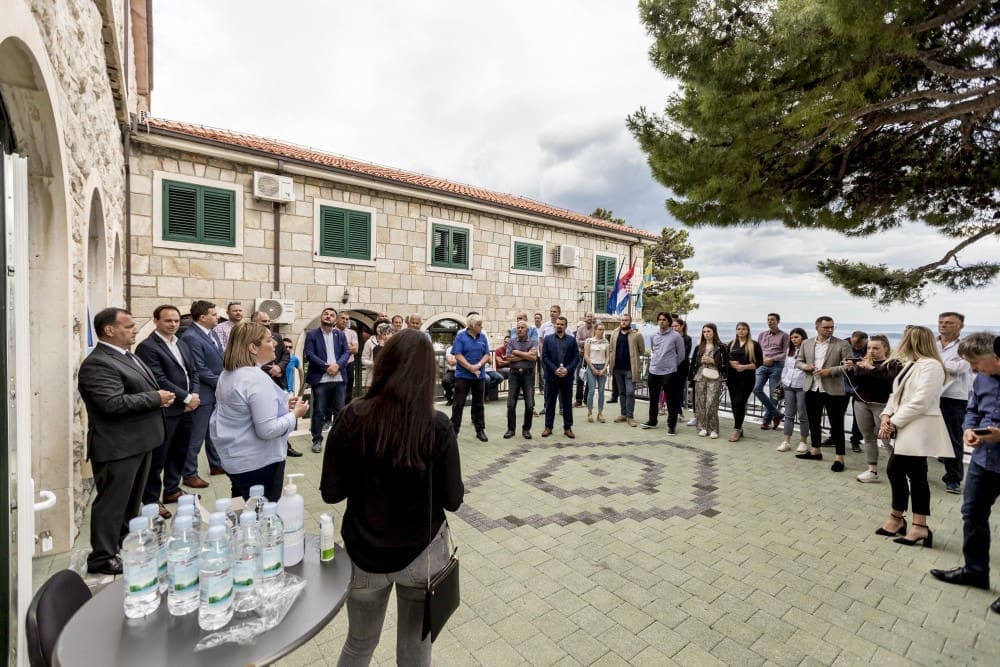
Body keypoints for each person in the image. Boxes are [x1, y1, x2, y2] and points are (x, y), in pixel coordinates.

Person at [319, 329, 464, 665]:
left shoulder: (352, 416)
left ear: (384, 364)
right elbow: (453, 499)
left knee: (359, 643)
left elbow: (331, 492)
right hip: (421, 553)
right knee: (416, 648)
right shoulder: (437, 425)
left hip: (363, 551)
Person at [78, 307, 173, 575]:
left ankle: (124, 543)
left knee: (131, 502)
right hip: (118, 445)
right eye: (129, 326)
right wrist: (156, 398)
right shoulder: (98, 363)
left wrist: (158, 397)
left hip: (140, 441)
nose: (134, 330)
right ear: (109, 330)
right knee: (112, 503)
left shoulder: (127, 356)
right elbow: (111, 403)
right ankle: (102, 557)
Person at [930, 333, 1000, 614]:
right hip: (983, 461)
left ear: (995, 357)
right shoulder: (981, 379)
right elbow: (973, 410)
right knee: (972, 513)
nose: (972, 368)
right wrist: (969, 429)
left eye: (975, 362)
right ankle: (975, 571)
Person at [211, 321, 309, 500]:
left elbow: (242, 409)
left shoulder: (228, 374)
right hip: (258, 463)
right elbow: (267, 430)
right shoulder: (255, 378)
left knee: (241, 506)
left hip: (235, 459)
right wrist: (295, 414)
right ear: (253, 348)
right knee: (262, 512)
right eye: (269, 340)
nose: (275, 344)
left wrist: (282, 406)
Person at [134, 305, 200, 516]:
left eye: (176, 321)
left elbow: (193, 372)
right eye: (168, 320)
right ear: (156, 321)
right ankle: (152, 500)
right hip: (166, 409)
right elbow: (158, 378)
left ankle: (172, 490)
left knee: (180, 451)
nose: (173, 324)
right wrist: (187, 397)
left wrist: (194, 395)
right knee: (158, 457)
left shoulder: (181, 344)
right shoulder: (147, 347)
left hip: (186, 409)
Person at [795, 316, 853, 472]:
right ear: (817, 328)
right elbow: (798, 361)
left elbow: (849, 366)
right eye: (826, 327)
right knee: (813, 422)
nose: (830, 330)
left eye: (832, 327)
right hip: (811, 388)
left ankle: (839, 458)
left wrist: (830, 371)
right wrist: (805, 367)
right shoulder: (806, 343)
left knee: (837, 425)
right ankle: (815, 451)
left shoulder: (842, 344)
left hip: (833, 390)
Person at [178, 299, 226, 486]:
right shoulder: (191, 337)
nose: (217, 317)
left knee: (212, 433)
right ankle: (189, 474)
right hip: (203, 394)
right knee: (195, 437)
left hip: (213, 394)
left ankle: (216, 465)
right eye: (214, 314)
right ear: (203, 317)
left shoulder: (211, 333)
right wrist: (222, 383)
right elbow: (199, 368)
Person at [843, 335, 901, 482]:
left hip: (883, 406)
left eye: (875, 348)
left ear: (885, 348)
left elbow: (891, 384)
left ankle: (900, 471)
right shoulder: (864, 362)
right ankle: (872, 470)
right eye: (869, 348)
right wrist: (850, 370)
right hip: (861, 403)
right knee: (868, 437)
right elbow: (856, 383)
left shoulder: (892, 364)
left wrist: (872, 369)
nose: (871, 351)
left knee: (888, 439)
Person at [936, 311, 974, 494]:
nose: (943, 325)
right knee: (925, 433)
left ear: (961, 326)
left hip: (954, 397)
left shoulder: (966, 346)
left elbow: (960, 368)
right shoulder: (932, 343)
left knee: (953, 438)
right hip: (931, 394)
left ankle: (953, 479)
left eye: (949, 323)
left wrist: (933, 363)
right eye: (941, 322)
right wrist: (944, 364)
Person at [304, 308, 351, 453]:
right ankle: (317, 440)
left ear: (335, 319)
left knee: (339, 411)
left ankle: (338, 440)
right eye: (326, 314)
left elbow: (346, 352)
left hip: (339, 378)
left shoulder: (340, 335)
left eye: (332, 315)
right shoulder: (312, 335)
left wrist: (337, 366)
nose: (328, 316)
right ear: (321, 317)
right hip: (321, 379)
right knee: (319, 411)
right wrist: (326, 367)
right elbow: (309, 354)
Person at [641, 312, 685, 434]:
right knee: (653, 398)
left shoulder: (676, 336)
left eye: (664, 319)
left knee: (671, 400)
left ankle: (671, 425)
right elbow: (654, 350)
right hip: (654, 371)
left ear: (669, 321)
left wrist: (671, 365)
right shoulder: (653, 336)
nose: (661, 321)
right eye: (659, 319)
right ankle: (652, 421)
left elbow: (681, 355)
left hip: (669, 372)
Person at [450, 314, 491, 442]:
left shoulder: (482, 337)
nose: (481, 326)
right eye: (479, 324)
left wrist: (477, 365)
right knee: (458, 404)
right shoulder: (460, 336)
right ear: (472, 326)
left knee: (479, 404)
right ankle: (453, 431)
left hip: (479, 376)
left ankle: (480, 430)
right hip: (463, 376)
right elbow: (457, 355)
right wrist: (470, 367)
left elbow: (487, 355)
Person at [541, 315, 581, 438]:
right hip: (552, 377)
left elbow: (576, 357)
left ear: (565, 326)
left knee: (567, 403)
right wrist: (555, 369)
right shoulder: (548, 339)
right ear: (555, 325)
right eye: (557, 324)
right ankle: (548, 427)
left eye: (561, 324)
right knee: (550, 403)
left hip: (566, 377)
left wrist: (567, 369)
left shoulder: (571, 340)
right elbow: (545, 357)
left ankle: (568, 428)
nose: (559, 326)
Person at [689, 323, 729, 439]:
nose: (706, 334)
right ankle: (702, 427)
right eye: (704, 332)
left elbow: (725, 364)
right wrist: (699, 363)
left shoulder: (721, 347)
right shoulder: (699, 347)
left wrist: (713, 361)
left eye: (708, 331)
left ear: (714, 332)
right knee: (700, 403)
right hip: (700, 376)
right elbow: (693, 363)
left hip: (715, 376)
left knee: (711, 403)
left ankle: (713, 429)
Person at [725, 322, 763, 442]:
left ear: (748, 331)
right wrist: (730, 363)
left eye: (743, 329)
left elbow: (759, 362)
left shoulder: (754, 345)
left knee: (740, 402)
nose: (741, 331)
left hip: (747, 378)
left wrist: (744, 367)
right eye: (738, 329)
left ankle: (736, 429)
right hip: (732, 378)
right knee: (734, 403)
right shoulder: (731, 344)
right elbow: (724, 360)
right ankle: (739, 427)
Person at [754, 313, 789, 431]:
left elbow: (785, 353)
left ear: (778, 321)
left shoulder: (784, 336)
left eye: (772, 320)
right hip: (762, 365)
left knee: (774, 395)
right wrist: (763, 359)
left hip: (777, 366)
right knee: (756, 389)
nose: (770, 322)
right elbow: (758, 351)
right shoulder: (762, 335)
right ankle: (777, 414)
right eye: (768, 320)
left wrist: (772, 359)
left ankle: (766, 420)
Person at [610, 312, 645, 427]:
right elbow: (611, 349)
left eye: (626, 320)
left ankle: (630, 416)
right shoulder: (614, 333)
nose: (624, 322)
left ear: (630, 321)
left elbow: (641, 350)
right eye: (622, 320)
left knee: (630, 392)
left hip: (630, 369)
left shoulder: (636, 335)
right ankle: (623, 414)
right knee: (622, 392)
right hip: (617, 368)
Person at [777, 328, 809, 452]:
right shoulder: (789, 350)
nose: (793, 339)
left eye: (796, 337)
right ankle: (786, 441)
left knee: (803, 415)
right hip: (788, 385)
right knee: (789, 414)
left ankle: (803, 442)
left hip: (802, 386)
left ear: (803, 338)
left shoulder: (808, 351)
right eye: (792, 337)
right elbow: (786, 367)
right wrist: (783, 380)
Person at [504, 320, 538, 438]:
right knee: (511, 404)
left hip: (528, 374)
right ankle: (511, 429)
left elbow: (533, 358)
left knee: (529, 404)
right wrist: (526, 355)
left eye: (522, 327)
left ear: (527, 330)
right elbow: (509, 357)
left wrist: (517, 352)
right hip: (514, 374)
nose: (520, 329)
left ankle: (526, 429)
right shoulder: (512, 341)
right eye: (518, 327)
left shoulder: (533, 342)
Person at [668, 316, 692, 422]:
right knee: (671, 390)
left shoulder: (687, 339)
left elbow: (684, 354)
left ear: (682, 326)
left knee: (679, 390)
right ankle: (675, 411)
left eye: (676, 326)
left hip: (682, 368)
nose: (674, 328)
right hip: (670, 368)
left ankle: (679, 412)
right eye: (672, 326)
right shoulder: (669, 337)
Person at [584, 322, 610, 423]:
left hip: (602, 367)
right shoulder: (589, 341)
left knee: (601, 391)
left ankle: (600, 413)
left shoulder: (606, 341)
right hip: (591, 367)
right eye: (599, 329)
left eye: (603, 329)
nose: (601, 331)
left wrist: (604, 368)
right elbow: (586, 355)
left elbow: (607, 356)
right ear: (595, 330)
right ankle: (590, 412)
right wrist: (592, 368)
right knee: (591, 390)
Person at [361, 322, 394, 388]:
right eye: (384, 334)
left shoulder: (396, 347)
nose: (386, 336)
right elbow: (378, 362)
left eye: (388, 334)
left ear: (392, 334)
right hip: (379, 378)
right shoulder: (377, 348)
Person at [337, 311, 360, 400]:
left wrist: (342, 348)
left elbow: (356, 350)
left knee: (348, 391)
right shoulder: (332, 332)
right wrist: (348, 346)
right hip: (336, 365)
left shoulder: (352, 333)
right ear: (337, 319)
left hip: (349, 364)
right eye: (342, 318)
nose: (345, 321)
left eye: (347, 319)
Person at [574, 312, 595, 406]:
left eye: (591, 316)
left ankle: (587, 400)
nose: (589, 318)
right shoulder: (580, 329)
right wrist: (588, 341)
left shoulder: (595, 329)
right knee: (580, 377)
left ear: (593, 318)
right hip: (581, 356)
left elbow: (597, 341)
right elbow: (577, 341)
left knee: (590, 379)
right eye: (588, 316)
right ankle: (578, 400)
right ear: (585, 317)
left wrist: (585, 342)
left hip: (592, 357)